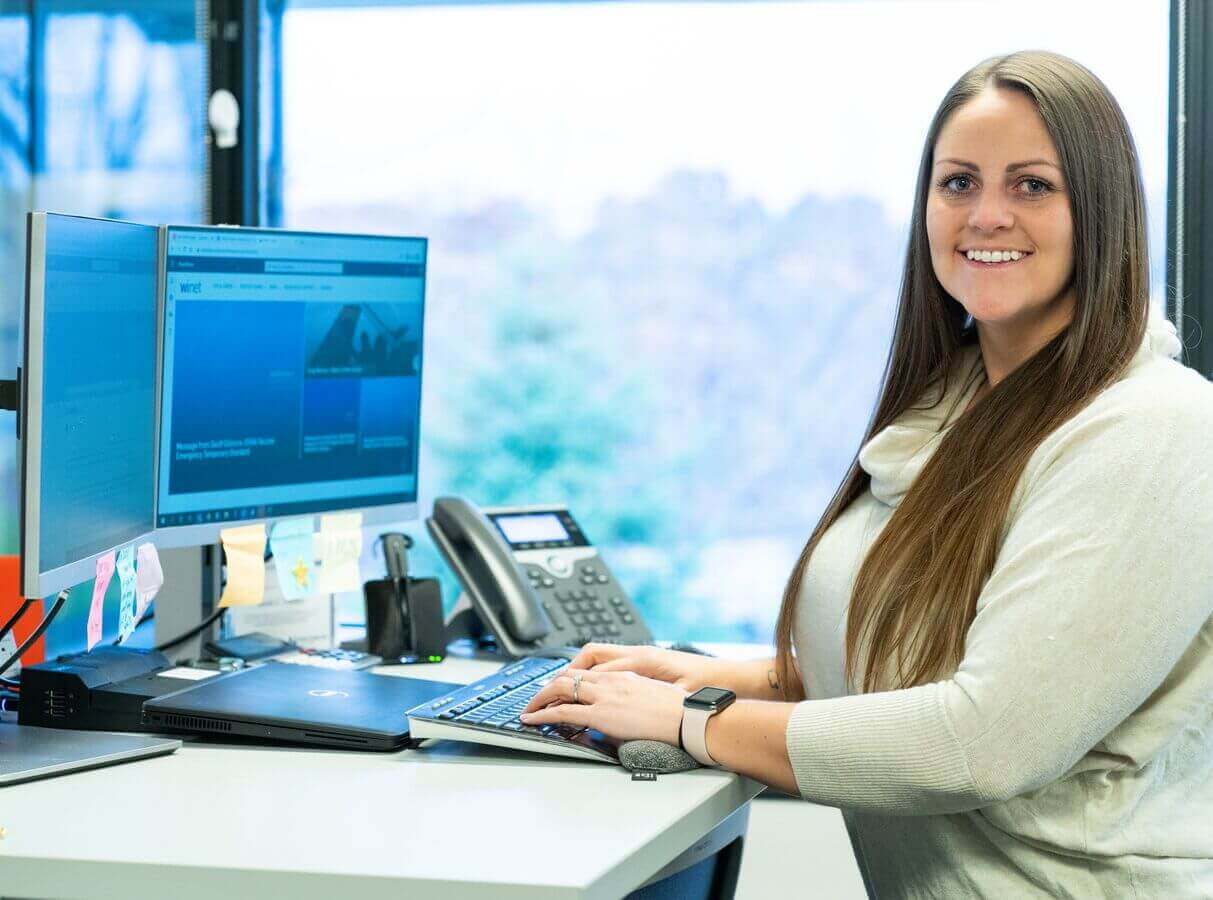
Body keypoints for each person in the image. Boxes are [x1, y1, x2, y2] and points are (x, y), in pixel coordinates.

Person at [521, 50, 1213, 897]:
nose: (985, 216)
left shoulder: (1152, 430)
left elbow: (982, 741)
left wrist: (691, 721)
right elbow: (917, 658)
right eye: (958, 183)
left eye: (1031, 185)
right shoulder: (952, 410)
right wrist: (720, 676)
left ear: (1101, 214)